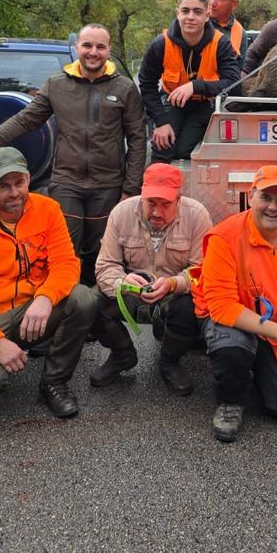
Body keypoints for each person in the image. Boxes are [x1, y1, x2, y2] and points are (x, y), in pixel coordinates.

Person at [0, 24, 147, 287]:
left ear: (109, 51)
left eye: (100, 47)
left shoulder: (125, 88)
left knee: (103, 255)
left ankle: (100, 319)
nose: (93, 52)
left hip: (108, 186)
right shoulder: (57, 84)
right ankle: (69, 315)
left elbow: (138, 138)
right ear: (77, 48)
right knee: (65, 253)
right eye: (87, 46)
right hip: (67, 183)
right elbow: (26, 119)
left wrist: (130, 188)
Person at [0, 147, 98, 416]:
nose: (14, 193)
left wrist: (45, 298)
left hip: (29, 311)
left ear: (29, 178)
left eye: (19, 183)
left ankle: (54, 384)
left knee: (83, 298)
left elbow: (66, 263)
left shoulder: (48, 210)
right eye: (4, 186)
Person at [192, 165, 277, 443]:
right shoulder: (225, 238)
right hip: (235, 321)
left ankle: (255, 368)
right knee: (232, 344)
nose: (273, 207)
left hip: (274, 329)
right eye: (266, 198)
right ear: (250, 196)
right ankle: (230, 401)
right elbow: (222, 306)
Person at [90, 163, 214, 394]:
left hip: (173, 292)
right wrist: (121, 282)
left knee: (190, 308)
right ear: (142, 194)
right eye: (151, 203)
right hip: (133, 290)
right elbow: (105, 266)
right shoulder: (121, 213)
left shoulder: (197, 216)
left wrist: (174, 283)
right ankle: (122, 355)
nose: (157, 212)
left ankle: (168, 361)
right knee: (89, 303)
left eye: (165, 204)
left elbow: (203, 270)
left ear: (179, 198)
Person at [137, 0, 240, 163]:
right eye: (185, 11)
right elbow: (146, 84)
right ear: (177, 13)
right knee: (163, 146)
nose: (190, 17)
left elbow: (234, 85)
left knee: (184, 150)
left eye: (197, 12)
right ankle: (157, 187)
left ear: (207, 15)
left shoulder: (221, 43)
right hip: (172, 101)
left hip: (204, 105)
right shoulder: (160, 44)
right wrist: (160, 122)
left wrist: (195, 86)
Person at [208, 0, 248, 71]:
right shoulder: (196, 21)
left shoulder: (240, 34)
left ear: (234, 4)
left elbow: (237, 73)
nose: (212, 2)